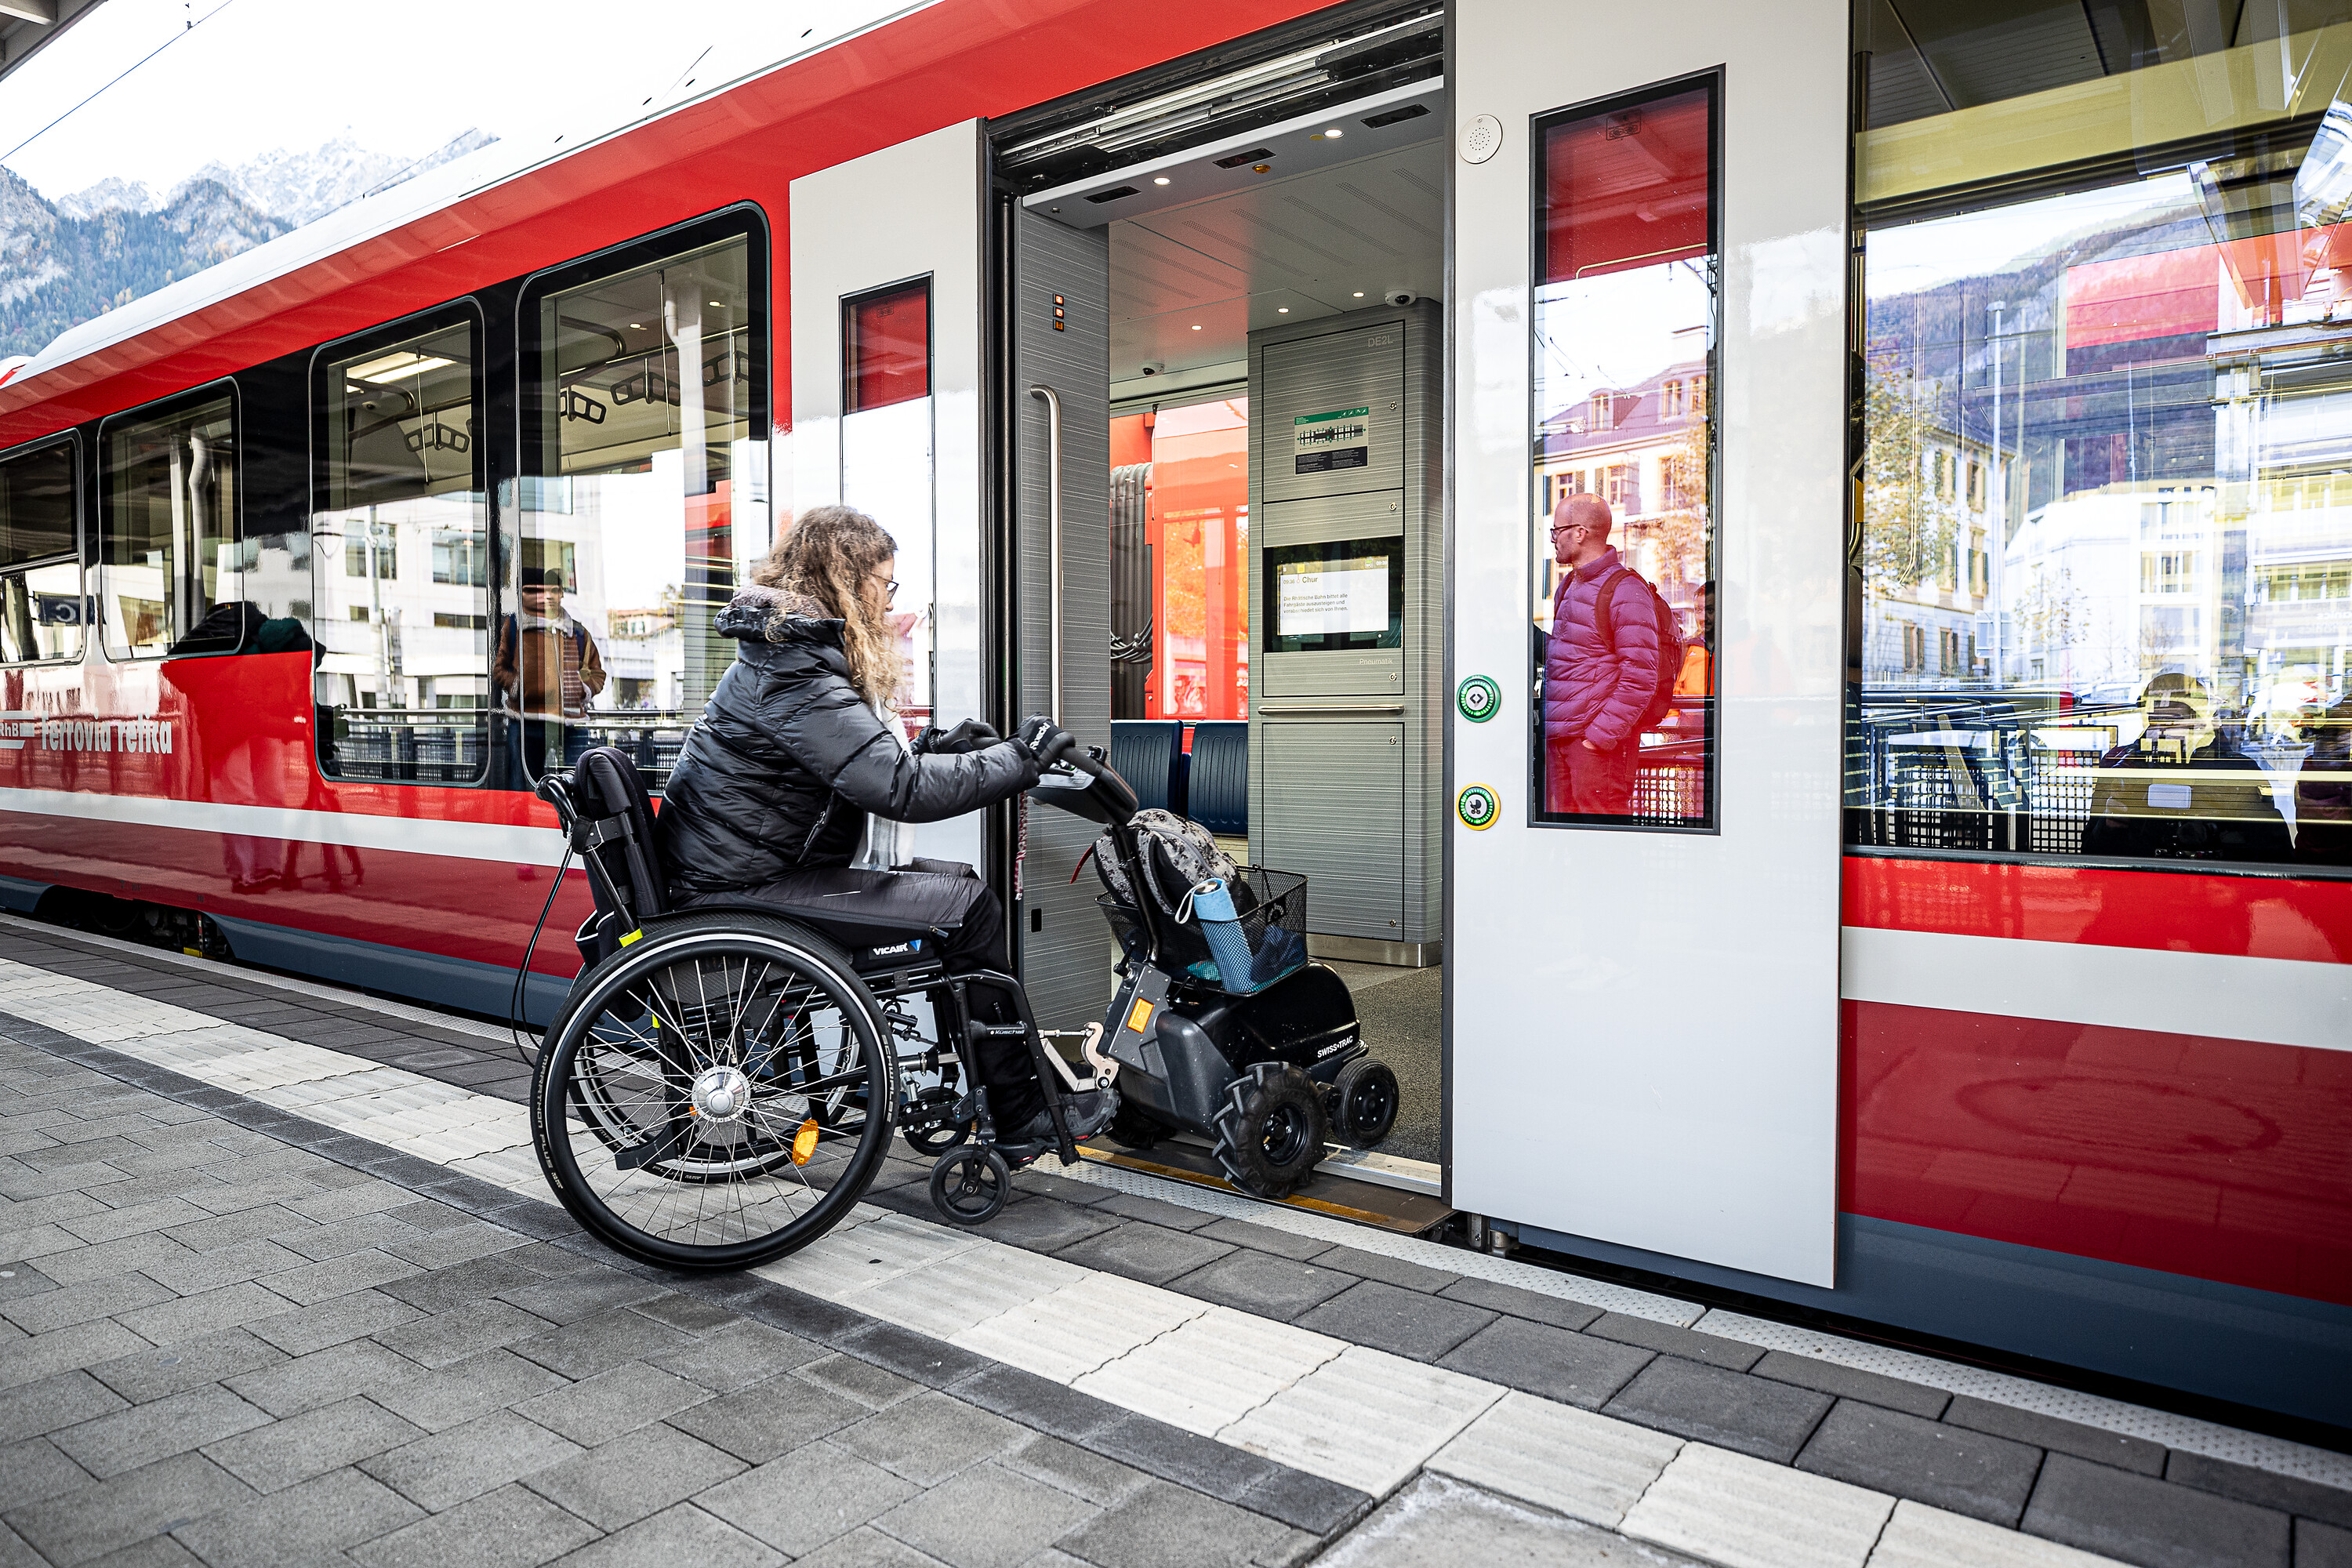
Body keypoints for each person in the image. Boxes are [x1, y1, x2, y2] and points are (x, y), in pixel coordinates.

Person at [656, 504, 1109, 1153]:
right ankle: (1018, 1109)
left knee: (960, 890)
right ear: (848, 581)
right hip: (744, 885)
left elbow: (857, 762)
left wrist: (939, 746)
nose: (887, 597)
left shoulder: (785, 656)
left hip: (746, 868)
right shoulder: (795, 673)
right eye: (885, 582)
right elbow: (895, 788)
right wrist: (1020, 759)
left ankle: (999, 1090)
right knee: (969, 910)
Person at [1541, 493, 1664, 815]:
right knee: (1570, 842)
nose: (1553, 539)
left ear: (1580, 533)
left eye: (1557, 531)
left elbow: (1640, 676)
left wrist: (1597, 739)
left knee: (1604, 845)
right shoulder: (1568, 585)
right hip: (1563, 739)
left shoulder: (1625, 590)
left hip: (1596, 748)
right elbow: (1573, 656)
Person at [495, 567, 606, 790]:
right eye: (537, 591)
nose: (547, 597)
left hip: (571, 723)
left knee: (578, 787)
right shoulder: (514, 627)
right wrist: (518, 687)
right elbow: (499, 670)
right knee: (524, 787)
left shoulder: (578, 632)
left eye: (554, 591)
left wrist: (583, 689)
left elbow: (598, 673)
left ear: (561, 594)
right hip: (527, 721)